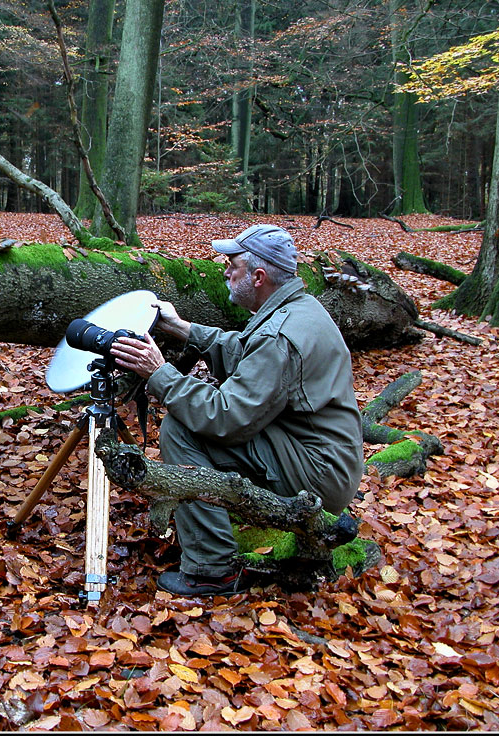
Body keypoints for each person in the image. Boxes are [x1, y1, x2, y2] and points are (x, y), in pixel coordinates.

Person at [110, 224, 363, 597]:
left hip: (320, 475)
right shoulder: (297, 308)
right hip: (321, 456)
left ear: (259, 276)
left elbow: (225, 418)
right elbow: (245, 348)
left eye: (233, 265)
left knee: (182, 429)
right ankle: (216, 525)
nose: (225, 271)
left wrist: (159, 373)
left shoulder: (281, 335)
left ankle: (212, 570)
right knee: (193, 414)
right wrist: (182, 328)